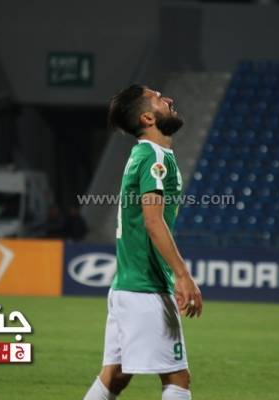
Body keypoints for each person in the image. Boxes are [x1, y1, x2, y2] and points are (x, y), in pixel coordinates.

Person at [83, 85, 202, 400]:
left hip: (127, 286)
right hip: (146, 288)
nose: (169, 100)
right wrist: (182, 275)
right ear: (148, 118)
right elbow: (153, 221)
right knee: (178, 379)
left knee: (115, 376)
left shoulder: (142, 154)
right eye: (159, 99)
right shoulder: (153, 156)